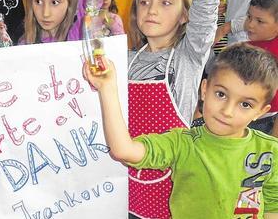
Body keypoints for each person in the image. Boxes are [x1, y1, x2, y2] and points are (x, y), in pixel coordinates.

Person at [84, 42, 278, 218]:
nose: (227, 111)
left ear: (260, 112)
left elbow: (272, 206)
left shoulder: (270, 151)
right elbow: (124, 150)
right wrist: (107, 88)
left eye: (245, 104)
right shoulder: (181, 143)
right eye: (221, 94)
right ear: (204, 90)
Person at [125, 0, 220, 217]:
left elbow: (206, 1)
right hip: (126, 186)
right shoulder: (127, 59)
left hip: (171, 189)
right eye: (145, 1)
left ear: (184, 15)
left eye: (166, 2)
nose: (152, 10)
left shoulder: (187, 58)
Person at [237, 0, 278, 136]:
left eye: (260, 21)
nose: (250, 24)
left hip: (264, 122)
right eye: (249, 17)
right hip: (243, 115)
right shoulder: (249, 46)